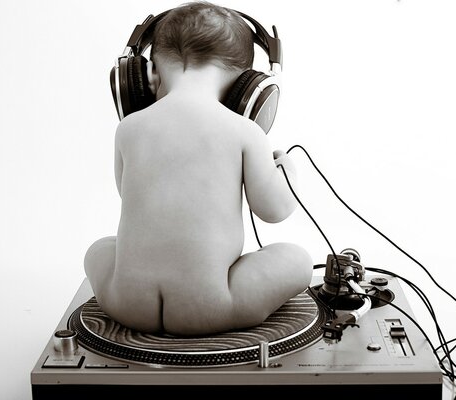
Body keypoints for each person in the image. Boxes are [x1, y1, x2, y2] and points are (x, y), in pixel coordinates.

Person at [84, 1, 313, 336]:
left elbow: (128, 195)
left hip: (127, 302)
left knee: (100, 249)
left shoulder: (129, 128)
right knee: (297, 259)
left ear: (150, 73)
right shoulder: (244, 130)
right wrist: (287, 171)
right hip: (213, 305)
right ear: (246, 88)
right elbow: (274, 209)